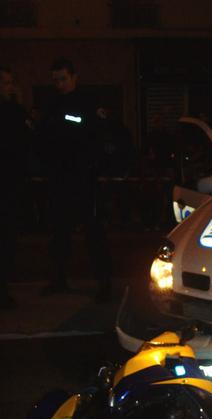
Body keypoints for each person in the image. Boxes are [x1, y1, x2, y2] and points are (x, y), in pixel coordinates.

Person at [39, 58, 112, 301]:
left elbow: (97, 137)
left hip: (83, 179)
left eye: (63, 79)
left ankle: (104, 284)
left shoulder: (87, 103)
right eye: (56, 80)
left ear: (74, 77)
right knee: (59, 232)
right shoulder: (52, 105)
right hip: (61, 179)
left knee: (93, 233)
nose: (59, 84)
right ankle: (58, 279)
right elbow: (45, 138)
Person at [0, 66, 29, 308]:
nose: (9, 87)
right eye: (6, 82)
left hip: (10, 184)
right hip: (7, 184)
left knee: (9, 239)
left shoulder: (13, 111)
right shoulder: (11, 112)